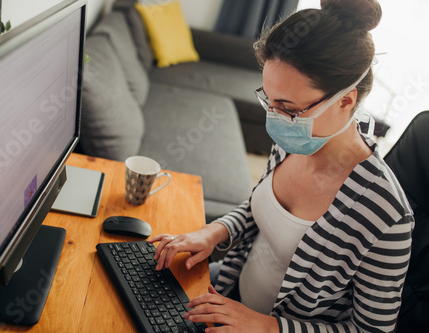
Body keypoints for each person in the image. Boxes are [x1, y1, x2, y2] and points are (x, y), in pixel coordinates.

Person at [148, 0, 415, 332]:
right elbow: (256, 209)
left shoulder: (386, 216)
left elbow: (371, 330)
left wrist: (266, 327)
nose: (273, 119)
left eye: (287, 108)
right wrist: (212, 232)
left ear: (345, 101)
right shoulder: (294, 140)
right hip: (228, 291)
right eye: (268, 101)